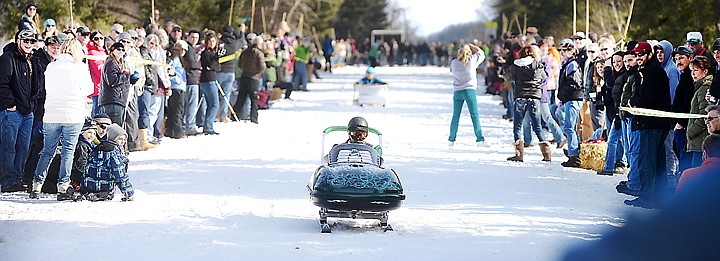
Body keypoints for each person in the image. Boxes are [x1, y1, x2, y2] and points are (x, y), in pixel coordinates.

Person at [30, 39, 93, 200]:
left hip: (51, 114)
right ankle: (63, 186)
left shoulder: (51, 67)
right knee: (68, 152)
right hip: (73, 114)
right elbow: (89, 89)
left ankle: (36, 185)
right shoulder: (79, 67)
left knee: (47, 151)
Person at [624, 42, 672, 209]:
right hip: (654, 122)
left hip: (651, 123)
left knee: (647, 161)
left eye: (641, 55)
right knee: (657, 161)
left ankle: (647, 197)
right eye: (636, 55)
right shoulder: (648, 70)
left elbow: (647, 95)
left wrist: (632, 101)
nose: (638, 58)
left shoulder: (653, 71)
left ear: (649, 55)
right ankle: (659, 197)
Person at [0, 30, 45, 193]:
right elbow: (2, 84)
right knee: (8, 146)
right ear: (18, 40)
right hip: (12, 111)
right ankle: (8, 180)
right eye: (25, 40)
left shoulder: (34, 59)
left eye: (32, 40)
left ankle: (17, 178)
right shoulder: (8, 58)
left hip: (28, 112)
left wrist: (32, 104)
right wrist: (10, 104)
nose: (28, 43)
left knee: (23, 147)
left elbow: (38, 84)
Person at [504, 46, 552, 162]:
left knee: (518, 126)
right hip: (535, 98)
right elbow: (544, 78)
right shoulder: (538, 65)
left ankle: (519, 154)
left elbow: (507, 77)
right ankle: (546, 154)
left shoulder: (516, 66)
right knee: (537, 127)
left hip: (520, 97)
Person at [82, 124, 134, 201]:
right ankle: (102, 194)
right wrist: (128, 192)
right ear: (113, 138)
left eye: (124, 139)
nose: (123, 142)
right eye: (120, 139)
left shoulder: (99, 146)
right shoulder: (112, 151)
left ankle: (93, 193)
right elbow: (119, 173)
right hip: (104, 186)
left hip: (89, 186)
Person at [448, 43, 487, 147]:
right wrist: (472, 45)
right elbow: (482, 54)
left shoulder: (454, 63)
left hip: (457, 91)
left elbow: (452, 71)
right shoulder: (472, 60)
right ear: (469, 53)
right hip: (469, 91)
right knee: (474, 115)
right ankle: (480, 139)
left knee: (455, 116)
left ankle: (451, 139)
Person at [557, 38, 584, 168]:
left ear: (572, 51)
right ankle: (575, 152)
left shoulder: (572, 64)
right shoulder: (567, 63)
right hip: (570, 99)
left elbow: (574, 83)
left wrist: (564, 95)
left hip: (573, 99)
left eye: (566, 50)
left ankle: (574, 156)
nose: (562, 52)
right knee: (571, 127)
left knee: (570, 127)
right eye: (561, 50)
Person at [686, 56, 713, 169]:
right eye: (691, 70)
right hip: (698, 140)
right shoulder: (699, 87)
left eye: (696, 70)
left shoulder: (704, 89)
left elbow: (703, 116)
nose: (692, 73)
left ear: (705, 71)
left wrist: (690, 132)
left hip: (700, 140)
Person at [234, 35, 265, 124]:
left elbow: (240, 64)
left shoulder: (245, 52)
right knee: (254, 100)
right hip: (254, 78)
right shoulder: (259, 53)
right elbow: (262, 66)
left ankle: (235, 115)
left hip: (244, 76)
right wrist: (257, 72)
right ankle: (254, 118)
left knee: (241, 98)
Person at [198, 30, 221, 135]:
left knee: (210, 104)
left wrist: (214, 64)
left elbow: (217, 67)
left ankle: (207, 125)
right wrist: (215, 61)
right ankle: (208, 126)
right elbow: (209, 66)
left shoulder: (213, 53)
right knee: (215, 104)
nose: (212, 43)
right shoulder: (205, 53)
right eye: (210, 41)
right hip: (208, 80)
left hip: (210, 79)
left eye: (213, 41)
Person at [165, 41, 188, 139]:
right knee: (177, 110)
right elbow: (170, 71)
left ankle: (170, 130)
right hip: (176, 87)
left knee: (175, 110)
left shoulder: (179, 60)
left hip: (180, 87)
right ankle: (178, 131)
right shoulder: (174, 60)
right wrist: (176, 79)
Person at [183, 29, 202, 136]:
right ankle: (189, 126)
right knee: (191, 104)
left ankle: (189, 124)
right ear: (188, 37)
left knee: (191, 104)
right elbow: (192, 63)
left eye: (196, 37)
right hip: (190, 79)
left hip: (193, 79)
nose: (194, 39)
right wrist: (199, 65)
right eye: (192, 37)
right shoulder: (189, 49)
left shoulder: (192, 49)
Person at [71, 118, 97, 190]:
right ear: (82, 132)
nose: (92, 135)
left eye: (94, 134)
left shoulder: (89, 144)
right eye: (89, 132)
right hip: (79, 176)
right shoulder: (81, 145)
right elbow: (81, 163)